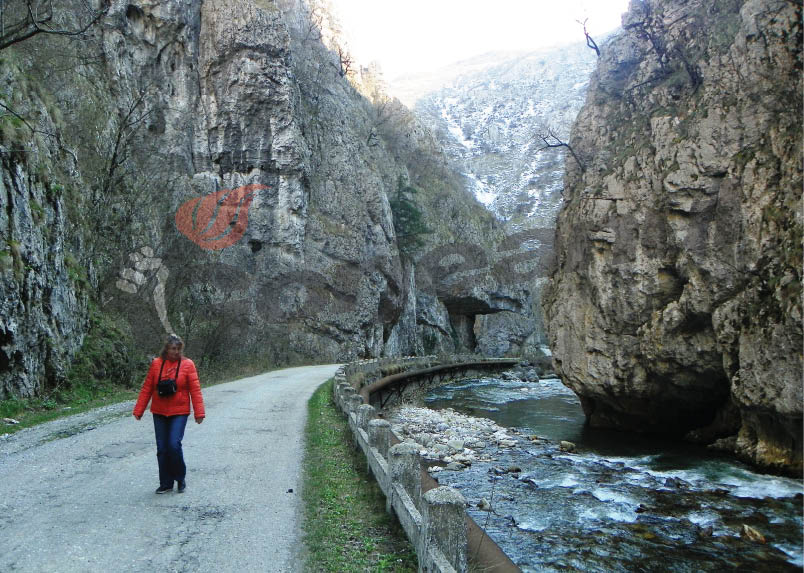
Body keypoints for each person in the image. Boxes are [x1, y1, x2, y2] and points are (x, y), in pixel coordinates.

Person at [133, 333, 205, 494]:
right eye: (173, 349)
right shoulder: (156, 364)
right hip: (159, 411)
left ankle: (180, 478)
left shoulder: (188, 365)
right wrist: (139, 410)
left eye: (178, 349)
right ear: (166, 349)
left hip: (179, 411)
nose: (176, 352)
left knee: (173, 444)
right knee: (162, 448)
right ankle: (165, 483)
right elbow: (147, 388)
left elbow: (195, 389)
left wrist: (199, 413)